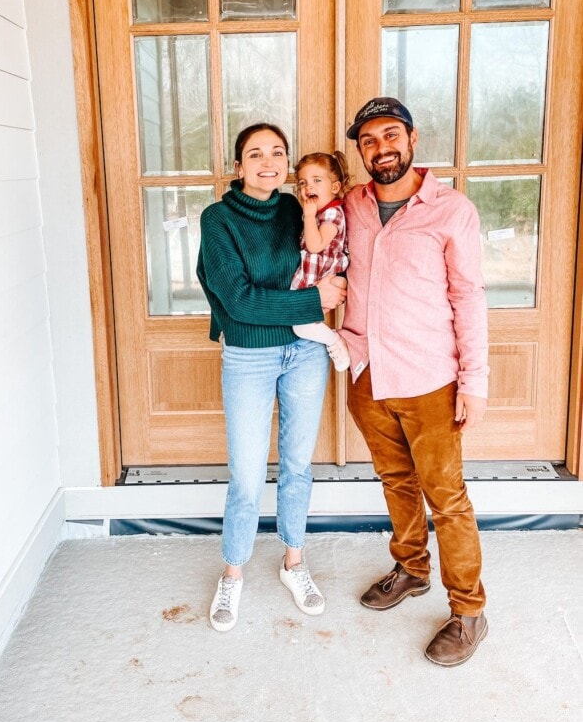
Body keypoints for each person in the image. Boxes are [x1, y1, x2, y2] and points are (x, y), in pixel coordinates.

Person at [340, 97, 490, 667]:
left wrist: (474, 381)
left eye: (391, 135)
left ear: (412, 139)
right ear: (360, 151)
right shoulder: (348, 205)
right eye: (370, 140)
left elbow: (468, 297)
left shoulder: (451, 210)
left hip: (431, 379)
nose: (382, 148)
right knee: (395, 481)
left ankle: (469, 611)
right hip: (367, 373)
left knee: (446, 498)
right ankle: (411, 569)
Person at [196, 123, 347, 633]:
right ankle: (233, 572)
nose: (268, 161)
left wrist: (335, 288)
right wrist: (312, 301)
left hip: (306, 351)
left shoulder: (297, 208)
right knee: (244, 473)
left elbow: (326, 259)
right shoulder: (218, 220)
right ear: (239, 166)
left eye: (277, 152)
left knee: (298, 465)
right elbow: (237, 301)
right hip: (249, 357)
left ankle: (293, 564)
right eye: (255, 154)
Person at [290, 152, 352, 372]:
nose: (309, 187)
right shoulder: (319, 213)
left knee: (301, 327)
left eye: (317, 180)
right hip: (312, 280)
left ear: (334, 188)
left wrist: (308, 216)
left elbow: (315, 246)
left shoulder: (331, 214)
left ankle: (335, 341)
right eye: (303, 183)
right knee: (303, 323)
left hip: (322, 279)